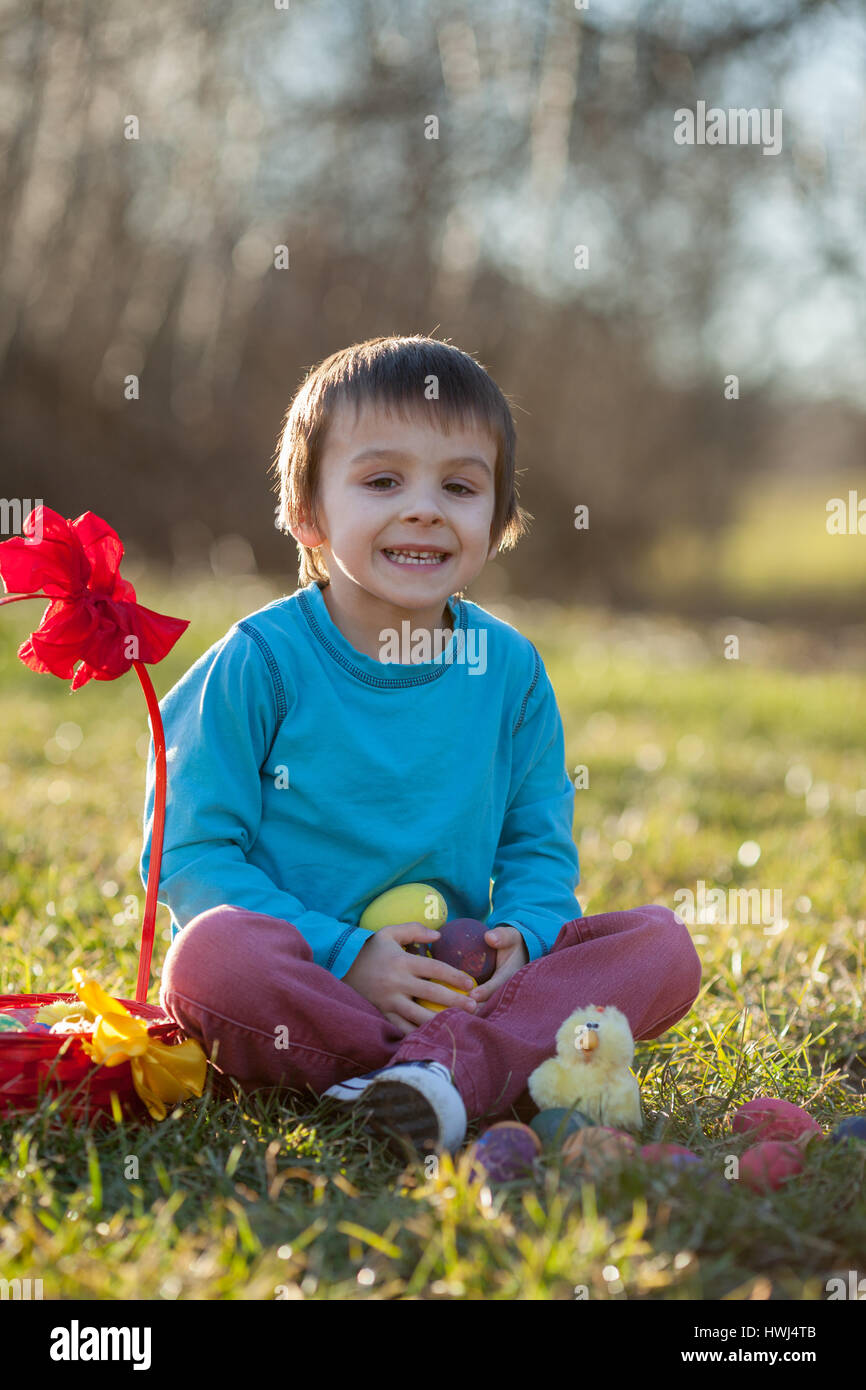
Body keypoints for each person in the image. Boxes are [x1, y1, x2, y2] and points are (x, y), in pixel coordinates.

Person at [141, 334, 701, 1157]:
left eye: (461, 487)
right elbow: (187, 853)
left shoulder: (507, 670)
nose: (425, 509)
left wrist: (527, 936)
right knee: (209, 960)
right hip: (309, 982)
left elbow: (537, 848)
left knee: (662, 947)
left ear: (498, 521)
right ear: (308, 512)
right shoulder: (259, 663)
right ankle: (442, 1075)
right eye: (381, 481)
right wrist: (346, 954)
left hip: (456, 983)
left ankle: (432, 1076)